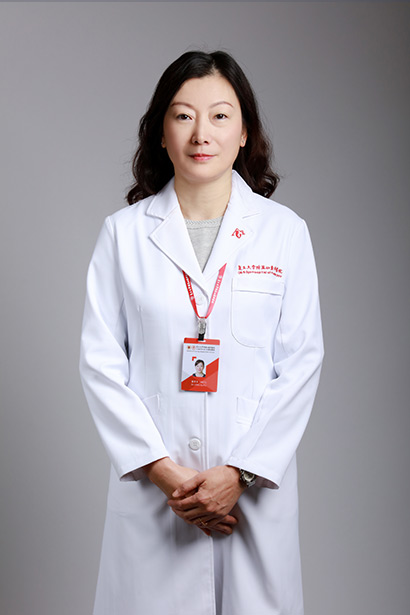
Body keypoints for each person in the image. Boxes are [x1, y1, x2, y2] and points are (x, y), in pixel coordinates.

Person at [80, 50, 324, 615]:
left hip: (250, 494)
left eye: (219, 116)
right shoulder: (123, 235)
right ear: (161, 132)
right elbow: (100, 364)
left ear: (245, 133)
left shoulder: (284, 233)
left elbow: (302, 363)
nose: (201, 134)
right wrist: (163, 473)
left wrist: (239, 473)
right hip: (157, 496)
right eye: (183, 115)